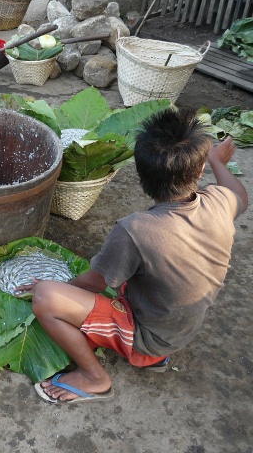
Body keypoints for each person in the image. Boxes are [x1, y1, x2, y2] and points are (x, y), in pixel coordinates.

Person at [16, 108, 248, 404]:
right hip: (179, 326)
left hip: (149, 337)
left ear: (140, 174)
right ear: (200, 170)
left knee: (47, 298)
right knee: (130, 270)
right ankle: (153, 354)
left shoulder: (136, 229)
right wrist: (217, 160)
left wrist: (46, 285)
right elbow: (240, 194)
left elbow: (93, 284)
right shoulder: (221, 201)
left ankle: (95, 378)